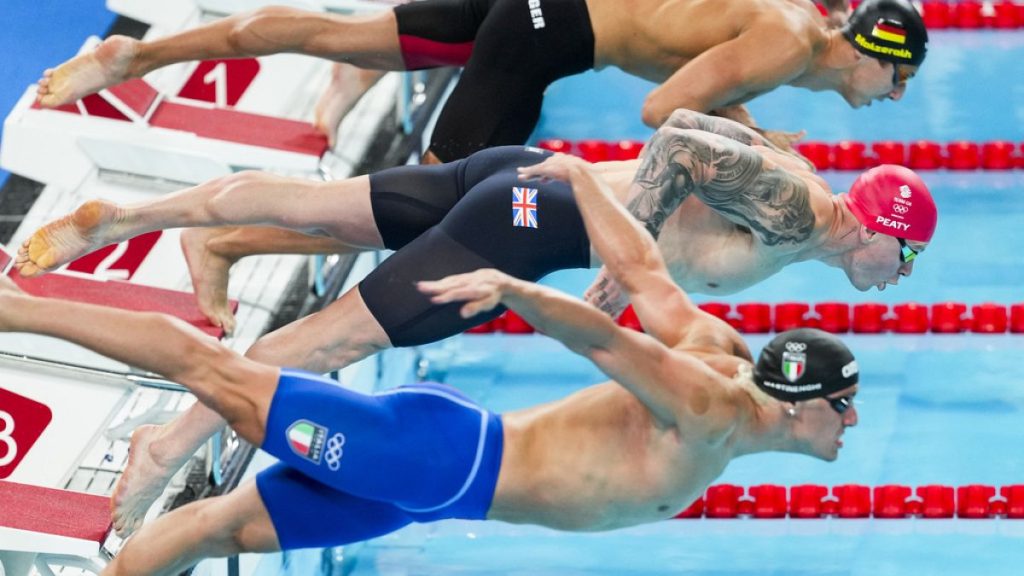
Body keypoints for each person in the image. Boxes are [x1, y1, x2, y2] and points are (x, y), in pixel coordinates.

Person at [15, 109, 928, 537]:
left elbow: (701, 128)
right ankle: (166, 446)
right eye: (907, 261)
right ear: (882, 231)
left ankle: (133, 221)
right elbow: (680, 139)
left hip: (522, 179)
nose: (899, 284)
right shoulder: (803, 213)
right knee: (329, 341)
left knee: (313, 205)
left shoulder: (796, 190)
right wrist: (620, 268)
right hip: (527, 225)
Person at [34, 0, 927, 163]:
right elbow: (662, 108)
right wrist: (753, 139)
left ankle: (134, 57)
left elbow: (696, 78)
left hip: (538, 7)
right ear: (879, 54)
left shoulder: (792, 32)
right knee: (435, 202)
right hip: (548, 32)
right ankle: (224, 242)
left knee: (340, 36)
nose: (893, 101)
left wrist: (751, 127)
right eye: (900, 83)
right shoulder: (787, 43)